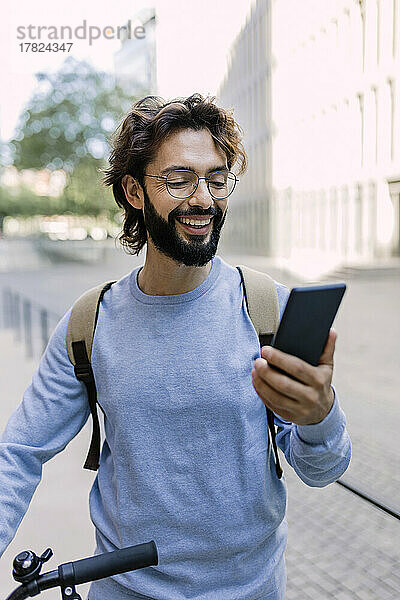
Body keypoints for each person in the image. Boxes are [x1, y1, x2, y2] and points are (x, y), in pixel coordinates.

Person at [0, 94, 351, 600]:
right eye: (179, 179)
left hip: (251, 590)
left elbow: (323, 469)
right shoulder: (88, 325)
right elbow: (17, 452)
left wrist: (321, 416)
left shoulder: (267, 310)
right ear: (134, 191)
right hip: (124, 589)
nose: (204, 198)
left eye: (215, 177)